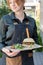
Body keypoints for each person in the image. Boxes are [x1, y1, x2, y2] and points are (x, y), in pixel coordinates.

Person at [0, 0, 38, 65]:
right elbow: (0, 41)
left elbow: (35, 40)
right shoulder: (5, 19)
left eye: (15, 2)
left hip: (28, 59)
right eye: (10, 3)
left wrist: (29, 45)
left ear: (23, 2)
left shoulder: (31, 21)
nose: (13, 5)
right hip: (11, 58)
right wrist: (4, 49)